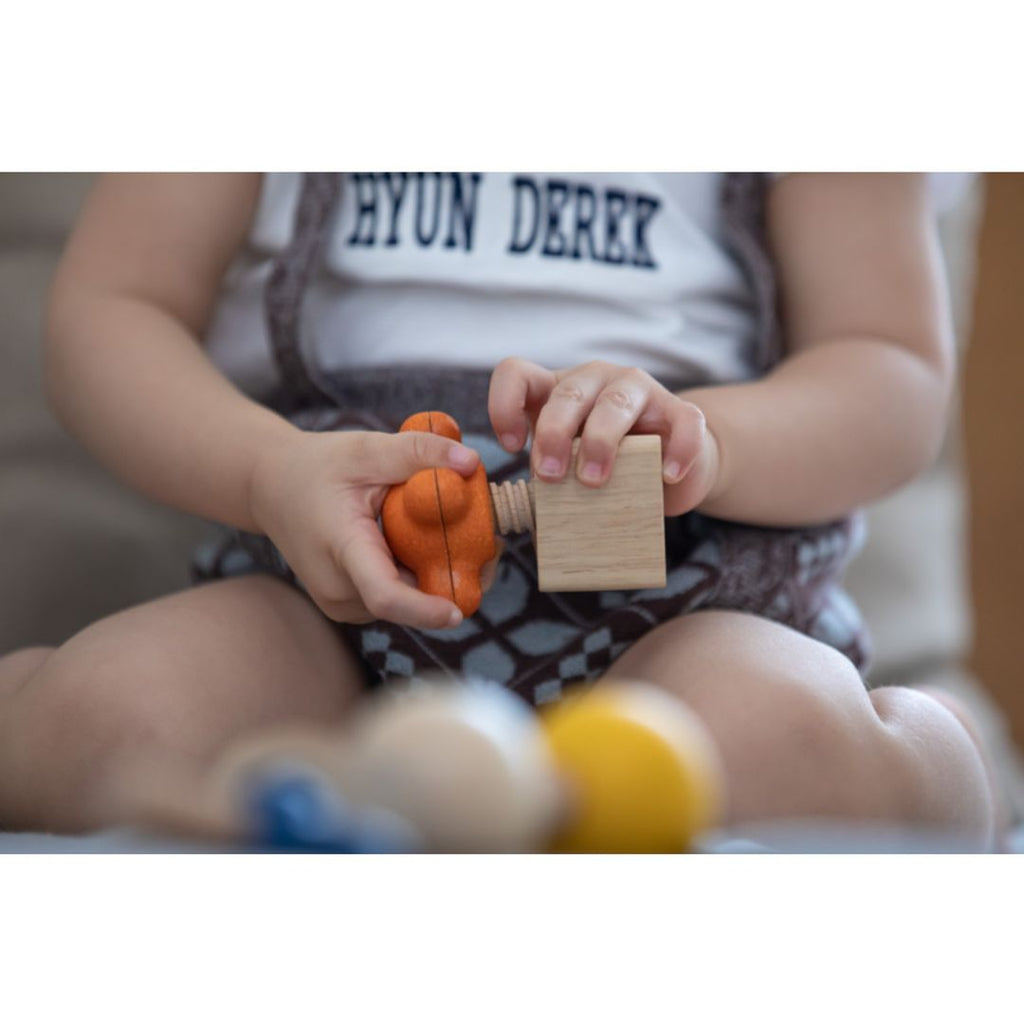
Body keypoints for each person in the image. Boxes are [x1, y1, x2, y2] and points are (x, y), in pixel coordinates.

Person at [0, 173, 996, 844]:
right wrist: (268, 471)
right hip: (323, 582)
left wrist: (710, 440)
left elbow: (890, 367)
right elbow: (113, 309)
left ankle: (919, 747)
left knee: (779, 740)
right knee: (112, 718)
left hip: (691, 586)